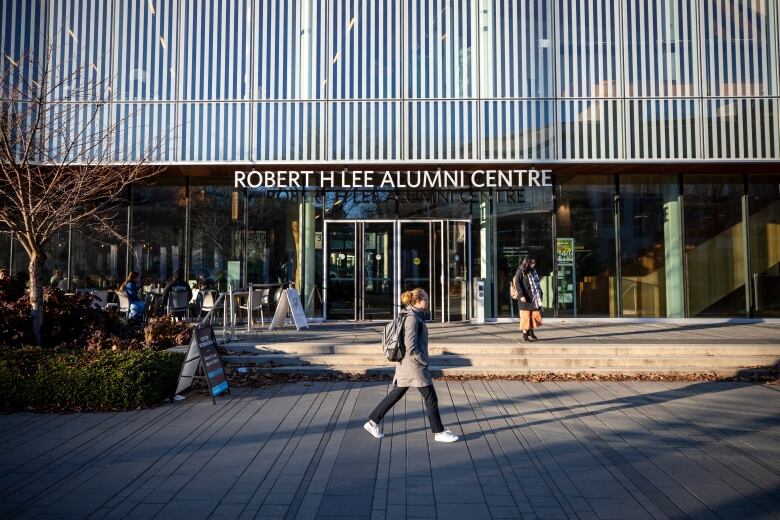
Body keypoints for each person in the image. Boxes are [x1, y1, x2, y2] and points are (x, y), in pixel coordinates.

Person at [364, 288, 459, 443]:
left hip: (406, 364)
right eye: (426, 299)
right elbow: (410, 345)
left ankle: (372, 422)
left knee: (396, 394)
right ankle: (439, 432)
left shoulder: (411, 314)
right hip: (414, 365)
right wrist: (423, 360)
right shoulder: (412, 318)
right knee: (430, 397)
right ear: (417, 301)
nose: (428, 302)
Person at [513, 255, 543, 342]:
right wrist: (521, 295)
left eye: (534, 263)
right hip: (524, 298)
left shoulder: (533, 271)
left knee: (534, 316)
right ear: (527, 262)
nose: (533, 265)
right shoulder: (520, 271)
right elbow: (517, 283)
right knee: (525, 317)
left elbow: (537, 284)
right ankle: (525, 334)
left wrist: (540, 294)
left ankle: (531, 331)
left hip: (533, 297)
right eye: (531, 263)